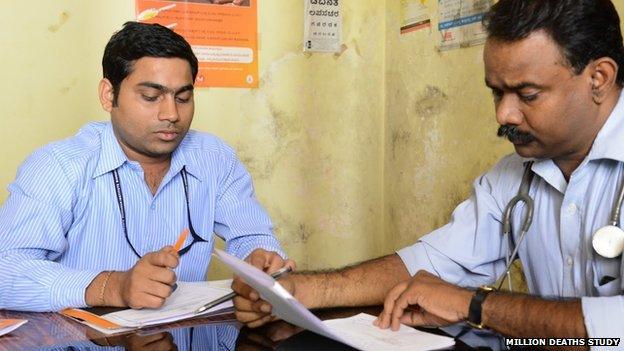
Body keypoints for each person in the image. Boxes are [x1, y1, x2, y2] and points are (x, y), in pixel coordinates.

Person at [233, 0, 624, 341]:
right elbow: (430, 261)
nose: (503, 114)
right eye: (496, 91)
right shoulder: (513, 175)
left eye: (527, 94)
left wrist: (477, 306)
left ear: (598, 78)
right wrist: (299, 290)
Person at [0, 22, 291, 312]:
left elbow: (252, 235)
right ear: (108, 95)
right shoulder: (57, 167)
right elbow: (6, 271)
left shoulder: (215, 158)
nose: (172, 114)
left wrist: (261, 260)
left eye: (183, 97)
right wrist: (112, 286)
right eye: (151, 97)